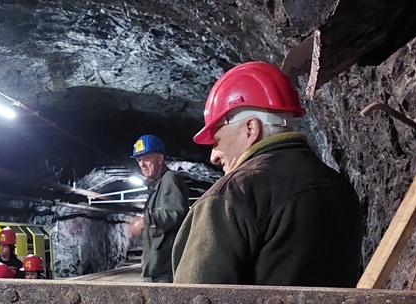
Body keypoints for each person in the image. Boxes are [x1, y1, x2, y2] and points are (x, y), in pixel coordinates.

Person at [172, 62, 364, 286]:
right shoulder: (340, 188)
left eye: (217, 141)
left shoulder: (231, 196)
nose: (213, 156)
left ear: (251, 129)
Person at [132, 135, 189, 283]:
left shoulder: (170, 178)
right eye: (139, 160)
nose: (142, 164)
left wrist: (145, 220)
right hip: (157, 266)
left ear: (160, 159)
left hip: (166, 267)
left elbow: (176, 213)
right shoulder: (157, 184)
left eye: (147, 158)